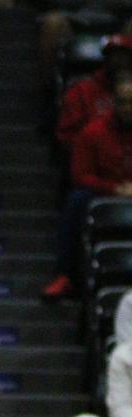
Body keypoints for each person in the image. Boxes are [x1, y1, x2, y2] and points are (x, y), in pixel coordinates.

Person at [48, 80, 132, 301]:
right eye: (123, 102)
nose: (128, 108)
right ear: (114, 103)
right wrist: (114, 188)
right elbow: (80, 176)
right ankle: (64, 274)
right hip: (106, 192)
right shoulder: (93, 131)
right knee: (77, 199)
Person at [58, 34, 132, 158]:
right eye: (114, 56)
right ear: (106, 60)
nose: (119, 62)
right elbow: (66, 137)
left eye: (125, 57)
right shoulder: (80, 92)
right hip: (95, 164)